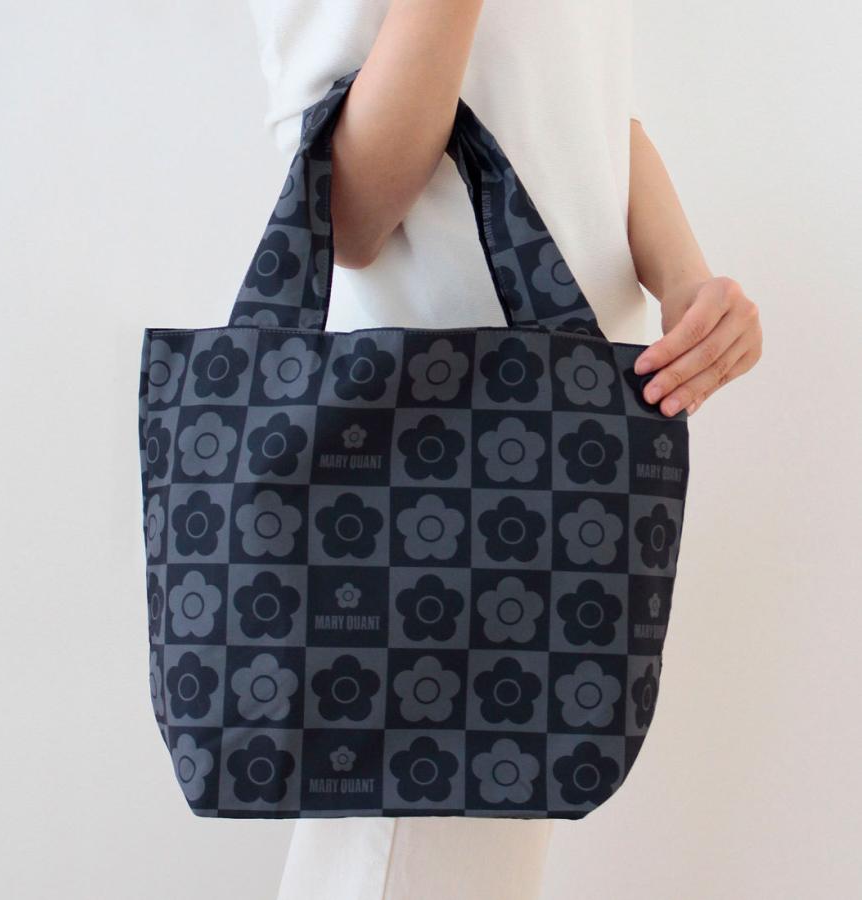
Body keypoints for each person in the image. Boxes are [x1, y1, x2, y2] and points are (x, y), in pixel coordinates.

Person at [245, 2, 763, 898]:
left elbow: (581, 107)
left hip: (565, 453)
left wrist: (685, 281)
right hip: (423, 480)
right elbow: (344, 210)